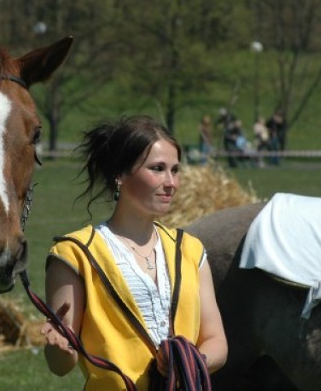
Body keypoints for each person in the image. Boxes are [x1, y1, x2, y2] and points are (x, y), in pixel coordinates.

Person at [41, 115, 228, 390]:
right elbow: (60, 367)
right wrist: (60, 349)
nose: (171, 182)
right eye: (157, 168)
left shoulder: (189, 250)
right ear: (120, 173)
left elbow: (217, 341)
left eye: (175, 170)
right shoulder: (75, 254)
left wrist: (189, 361)